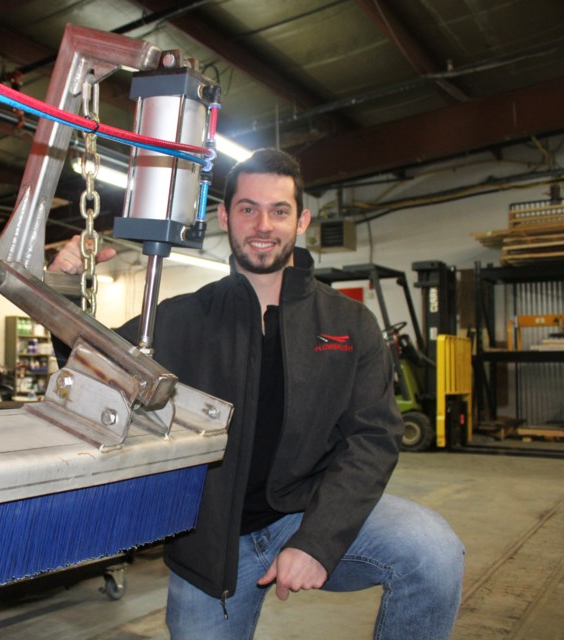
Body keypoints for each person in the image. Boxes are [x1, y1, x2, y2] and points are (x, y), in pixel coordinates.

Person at [48, 148, 464, 640]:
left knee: (433, 551)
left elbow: (373, 438)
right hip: (211, 540)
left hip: (307, 514)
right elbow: (98, 368)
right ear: (225, 216)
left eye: (279, 210)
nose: (263, 224)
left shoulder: (349, 324)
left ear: (302, 220)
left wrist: (317, 540)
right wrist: (63, 285)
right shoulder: (180, 317)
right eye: (248, 208)